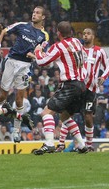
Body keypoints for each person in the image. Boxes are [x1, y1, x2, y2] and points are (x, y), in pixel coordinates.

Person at [0, 6, 47, 142]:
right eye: (33, 12)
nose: (34, 14)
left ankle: (16, 130)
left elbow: (42, 55)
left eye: (37, 13)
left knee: (19, 99)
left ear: (43, 17)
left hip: (25, 66)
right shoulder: (22, 25)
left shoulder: (44, 36)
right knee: (3, 95)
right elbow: (4, 30)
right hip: (11, 61)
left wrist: (33, 55)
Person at [33, 21, 88, 155]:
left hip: (70, 85)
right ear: (71, 32)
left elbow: (41, 62)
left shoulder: (59, 46)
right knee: (65, 116)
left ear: (58, 33)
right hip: (81, 85)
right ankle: (82, 145)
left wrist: (38, 52)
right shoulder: (77, 42)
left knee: (46, 113)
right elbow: (84, 58)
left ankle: (49, 143)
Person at [55, 28, 109, 152]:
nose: (85, 35)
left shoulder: (99, 51)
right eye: (84, 33)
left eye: (88, 34)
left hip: (90, 89)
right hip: (75, 86)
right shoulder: (77, 48)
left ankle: (89, 145)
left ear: (93, 36)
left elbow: (108, 67)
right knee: (67, 114)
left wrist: (103, 77)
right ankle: (60, 144)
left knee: (88, 117)